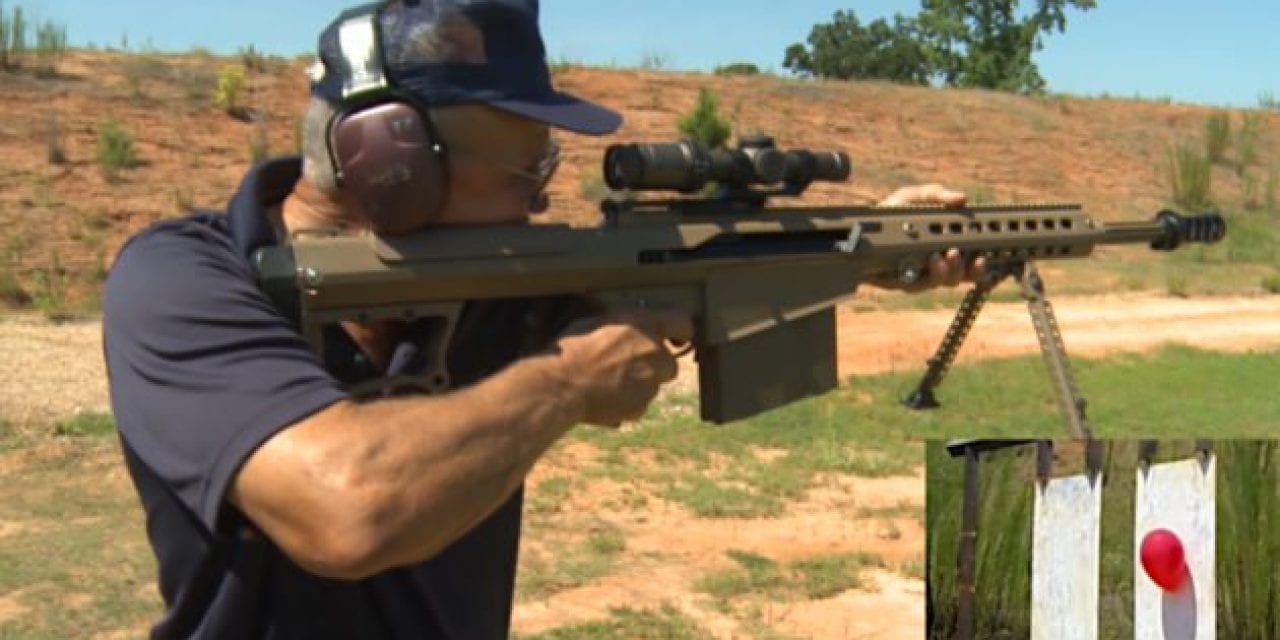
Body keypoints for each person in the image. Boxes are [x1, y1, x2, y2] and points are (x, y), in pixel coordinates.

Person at [102, 1, 979, 637]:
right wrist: (566, 381)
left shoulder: (511, 276)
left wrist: (870, 248)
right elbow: (349, 511)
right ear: (392, 164)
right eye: (527, 171)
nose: (543, 200)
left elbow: (710, 269)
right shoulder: (183, 279)